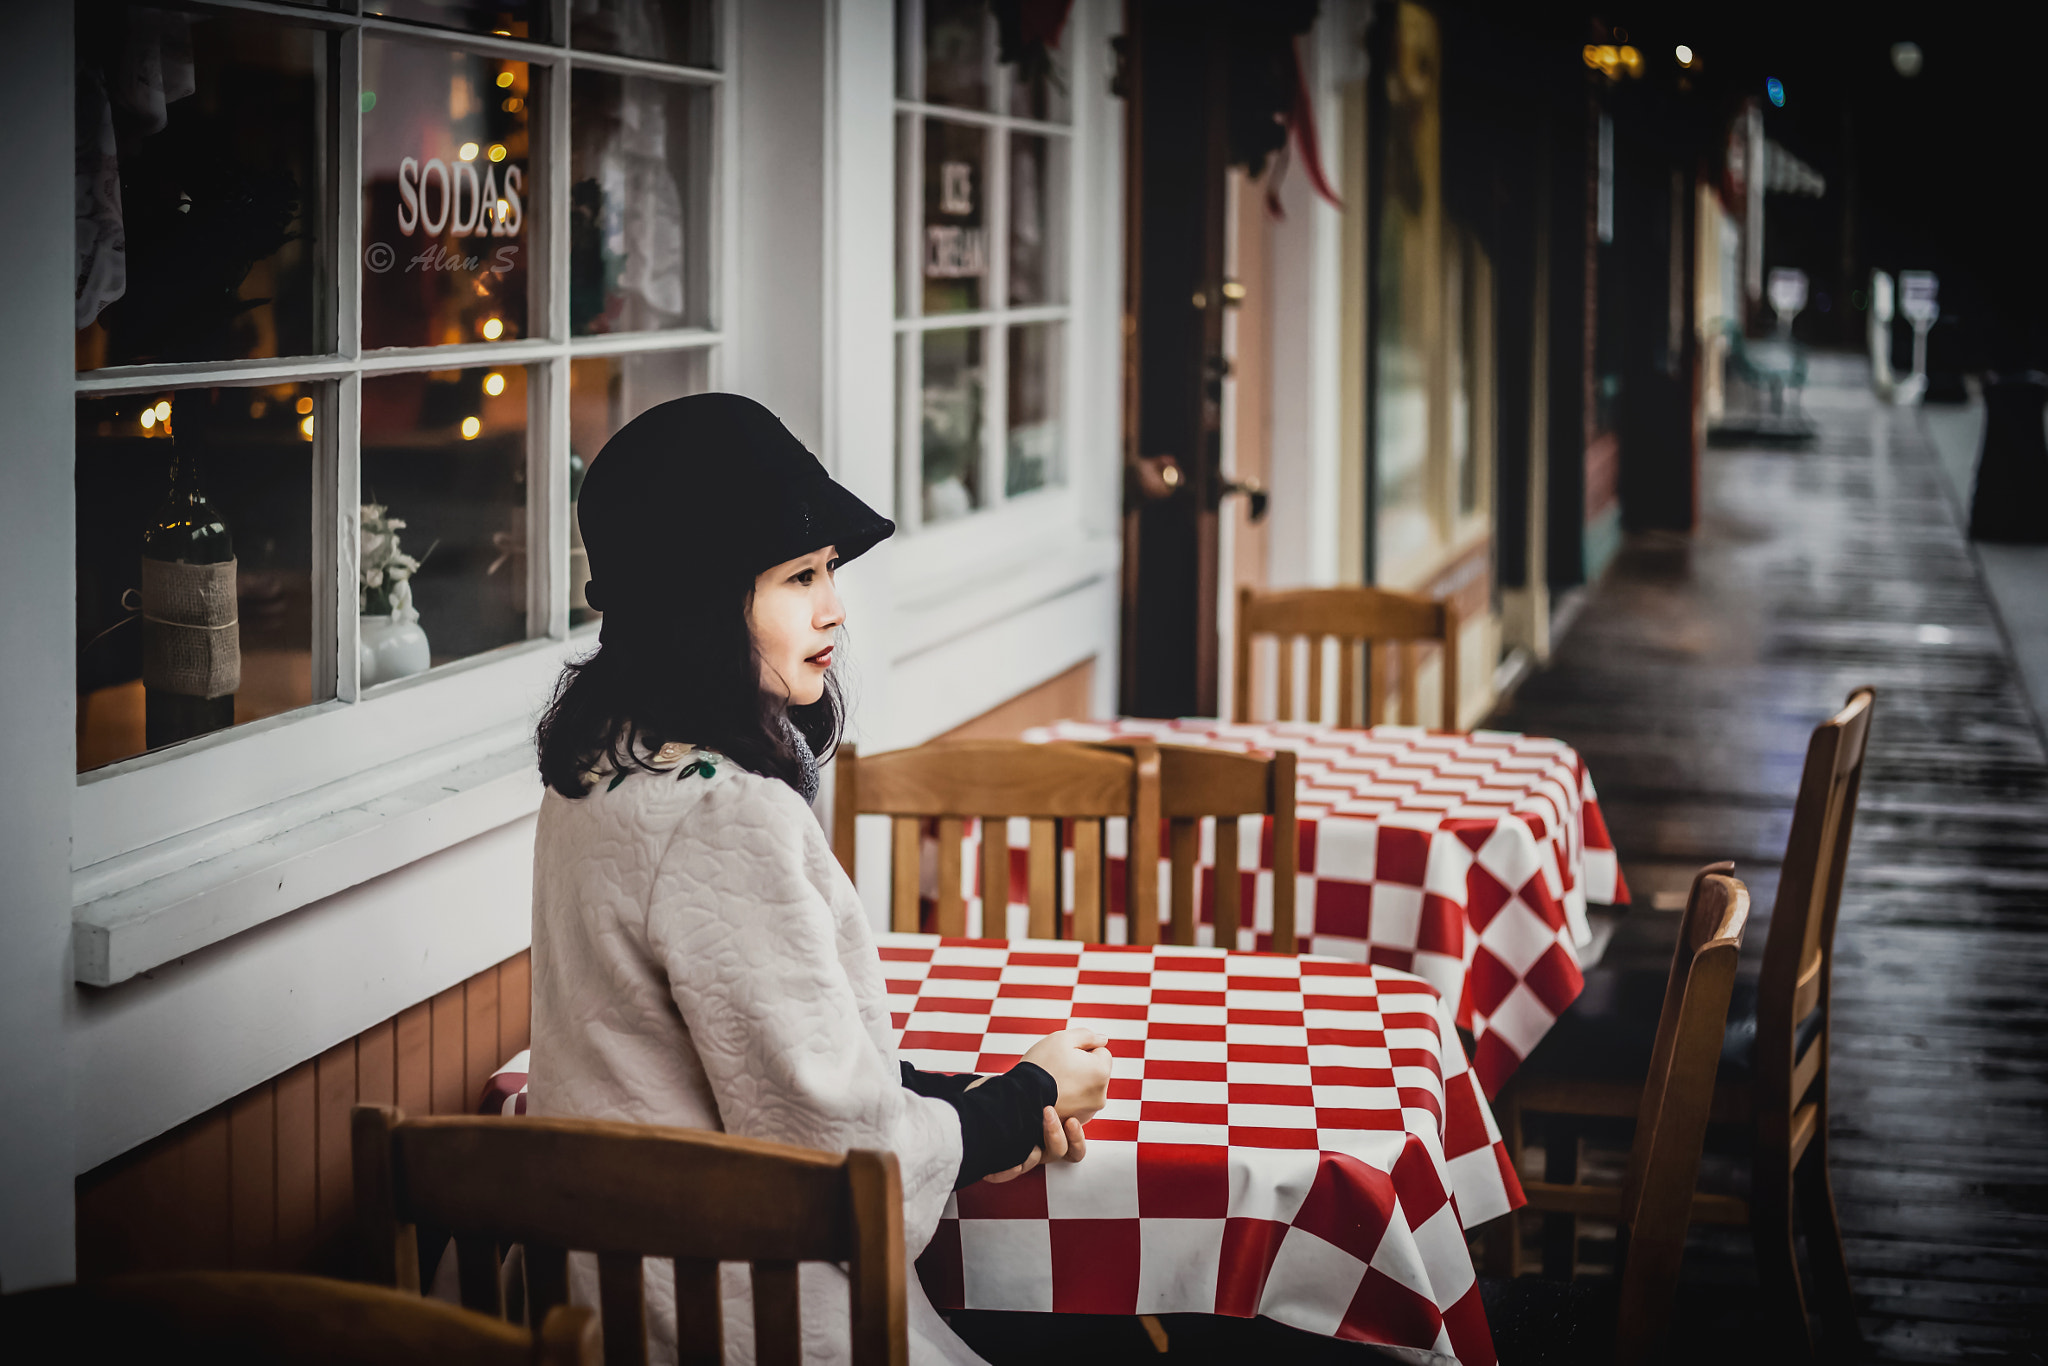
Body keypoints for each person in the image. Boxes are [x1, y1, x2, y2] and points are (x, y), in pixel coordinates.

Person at [527, 394, 1112, 1365]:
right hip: (729, 1314)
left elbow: (765, 1062)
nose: (834, 605)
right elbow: (842, 1149)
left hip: (605, 1296)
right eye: (799, 575)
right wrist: (1021, 1098)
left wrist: (973, 1099)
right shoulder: (723, 812)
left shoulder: (599, 770)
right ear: (702, 596)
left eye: (828, 571)